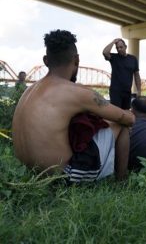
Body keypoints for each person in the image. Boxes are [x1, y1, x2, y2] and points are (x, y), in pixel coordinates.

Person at [12, 30, 135, 183]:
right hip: (62, 176)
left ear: (46, 60)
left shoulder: (29, 90)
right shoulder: (77, 91)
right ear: (76, 60)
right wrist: (128, 114)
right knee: (121, 124)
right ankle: (122, 181)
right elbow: (128, 119)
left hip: (28, 170)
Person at [102, 38, 141, 109]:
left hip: (127, 91)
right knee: (116, 114)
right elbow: (105, 52)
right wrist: (113, 42)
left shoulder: (133, 59)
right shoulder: (114, 57)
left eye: (121, 47)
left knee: (126, 112)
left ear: (126, 47)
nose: (119, 49)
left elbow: (137, 75)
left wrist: (139, 90)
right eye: (117, 48)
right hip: (115, 92)